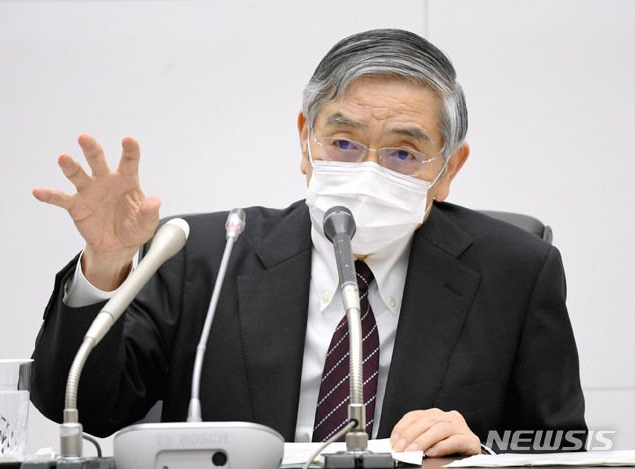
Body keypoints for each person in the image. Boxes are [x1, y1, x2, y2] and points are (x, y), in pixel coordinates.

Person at [30, 29, 586, 456]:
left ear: (448, 169)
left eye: (403, 153)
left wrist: (484, 452)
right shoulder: (204, 253)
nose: (368, 170)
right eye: (343, 143)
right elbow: (82, 407)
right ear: (305, 141)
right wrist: (106, 264)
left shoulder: (515, 271)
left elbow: (563, 444)